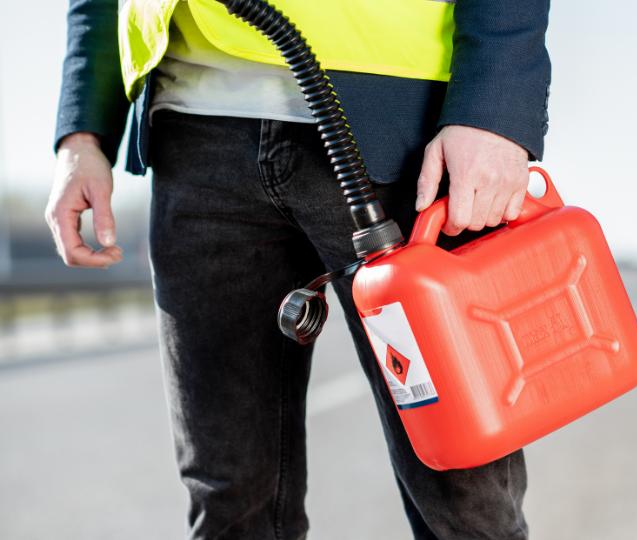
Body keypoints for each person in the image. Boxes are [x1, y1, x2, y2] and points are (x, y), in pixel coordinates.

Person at [46, 0, 550, 538]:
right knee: (228, 499)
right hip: (193, 133)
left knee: (465, 496)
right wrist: (82, 131)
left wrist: (492, 108)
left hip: (400, 128)